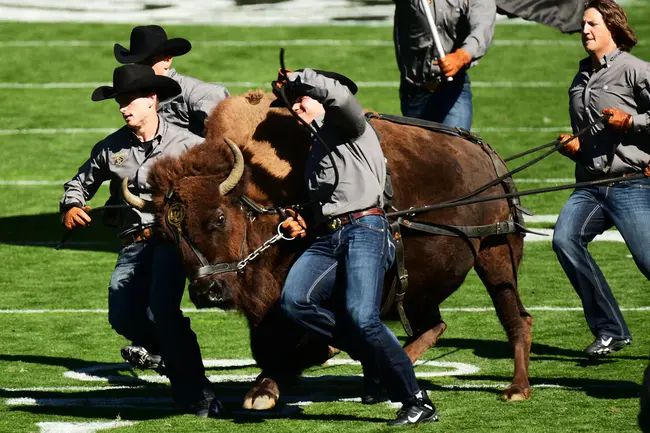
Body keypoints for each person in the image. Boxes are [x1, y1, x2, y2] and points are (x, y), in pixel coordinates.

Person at [272, 68, 438, 426]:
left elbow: (341, 97)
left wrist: (302, 77)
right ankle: (376, 354)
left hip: (365, 228)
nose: (295, 108)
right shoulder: (315, 145)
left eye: (301, 100)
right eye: (292, 103)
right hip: (328, 237)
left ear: (322, 98)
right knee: (294, 302)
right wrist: (304, 218)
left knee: (363, 318)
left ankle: (416, 399)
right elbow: (329, 199)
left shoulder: (350, 125)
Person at [59, 64, 221, 417]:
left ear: (152, 99)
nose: (123, 107)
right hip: (133, 243)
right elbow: (79, 183)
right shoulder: (111, 148)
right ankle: (172, 361)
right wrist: (71, 206)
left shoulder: (188, 144)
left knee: (164, 309)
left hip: (170, 242)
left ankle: (197, 391)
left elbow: (220, 186)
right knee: (122, 316)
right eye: (119, 101)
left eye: (130, 100)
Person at [113, 24, 230, 367]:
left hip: (197, 205)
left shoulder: (201, 95)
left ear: (166, 60)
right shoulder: (141, 96)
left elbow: (224, 146)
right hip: (159, 205)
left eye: (146, 61)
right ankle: (164, 348)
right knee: (145, 284)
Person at [552, 0, 650, 359]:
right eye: (583, 26)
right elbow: (592, 140)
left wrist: (632, 122)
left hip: (631, 183)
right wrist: (576, 147)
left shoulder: (635, 71)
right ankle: (610, 330)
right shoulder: (580, 79)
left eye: (593, 24)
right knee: (564, 240)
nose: (586, 31)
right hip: (591, 186)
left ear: (613, 27)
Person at [393, 0, 496, 130]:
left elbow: (483, 28)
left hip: (452, 88)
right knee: (419, 149)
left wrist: (461, 56)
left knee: (455, 146)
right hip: (414, 90)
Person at [114, 24, 230, 138]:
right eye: (138, 63)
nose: (142, 69)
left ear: (167, 60)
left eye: (148, 62)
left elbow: (230, 137)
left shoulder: (199, 93)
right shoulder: (134, 98)